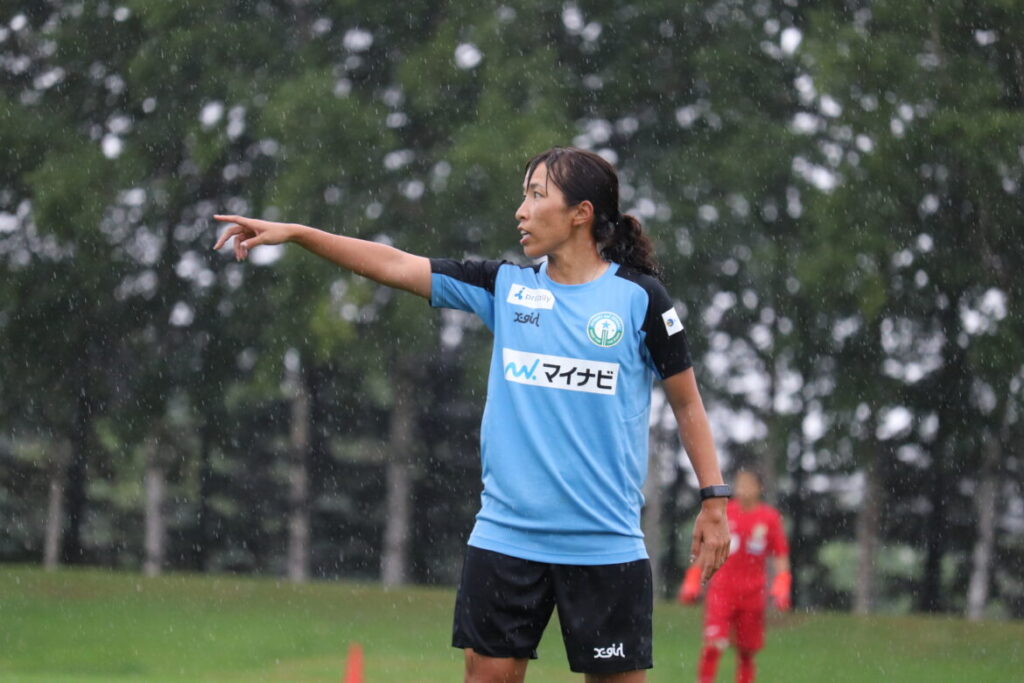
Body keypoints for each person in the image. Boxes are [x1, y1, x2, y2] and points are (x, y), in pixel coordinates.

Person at [214, 147, 731, 683]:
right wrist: (299, 234)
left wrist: (714, 500)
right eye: (523, 196)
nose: (521, 211)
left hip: (606, 544)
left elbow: (686, 402)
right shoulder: (505, 288)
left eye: (536, 196)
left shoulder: (641, 299)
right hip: (507, 539)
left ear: (581, 213)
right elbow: (395, 264)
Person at [678, 468, 791, 683]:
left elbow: (780, 554)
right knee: (714, 644)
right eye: (739, 483)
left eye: (748, 483)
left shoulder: (769, 518)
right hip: (722, 591)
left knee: (746, 652)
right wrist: (693, 578)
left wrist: (782, 583)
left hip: (753, 594)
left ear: (759, 488)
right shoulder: (725, 512)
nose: (742, 488)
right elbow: (708, 547)